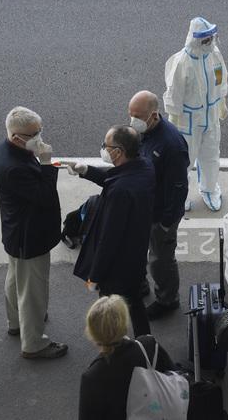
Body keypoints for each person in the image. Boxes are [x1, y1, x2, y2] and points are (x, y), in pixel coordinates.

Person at [0, 106, 68, 359]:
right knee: (34, 291)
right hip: (30, 236)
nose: (39, 137)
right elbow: (45, 197)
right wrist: (46, 164)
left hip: (15, 232)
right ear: (16, 137)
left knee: (16, 279)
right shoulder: (16, 168)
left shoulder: (2, 152)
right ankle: (34, 344)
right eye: (34, 134)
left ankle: (16, 322)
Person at [69, 125, 155, 337]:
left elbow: (109, 238)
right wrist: (87, 171)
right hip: (136, 254)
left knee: (111, 314)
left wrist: (95, 275)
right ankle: (146, 342)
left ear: (118, 152)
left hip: (117, 267)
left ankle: (115, 347)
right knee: (134, 301)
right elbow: (115, 178)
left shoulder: (120, 192)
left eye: (106, 145)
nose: (103, 149)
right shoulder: (144, 167)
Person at [127, 91, 189, 320]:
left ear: (153, 115)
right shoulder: (143, 132)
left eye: (137, 116)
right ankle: (141, 285)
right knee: (137, 250)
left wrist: (166, 223)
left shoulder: (171, 145)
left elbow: (179, 188)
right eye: (130, 114)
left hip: (161, 215)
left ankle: (167, 299)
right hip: (143, 209)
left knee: (160, 260)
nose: (132, 120)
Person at [164, 16, 228, 212]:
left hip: (211, 116)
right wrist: (174, 120)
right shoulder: (182, 62)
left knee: (211, 155)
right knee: (184, 160)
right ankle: (178, 194)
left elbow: (221, 79)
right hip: (187, 120)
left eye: (211, 38)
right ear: (195, 39)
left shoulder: (214, 55)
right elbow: (174, 94)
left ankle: (209, 189)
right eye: (205, 39)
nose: (209, 42)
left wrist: (221, 102)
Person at [79, 295, 176, 420]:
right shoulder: (148, 346)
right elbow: (172, 376)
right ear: (124, 324)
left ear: (92, 333)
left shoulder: (92, 376)